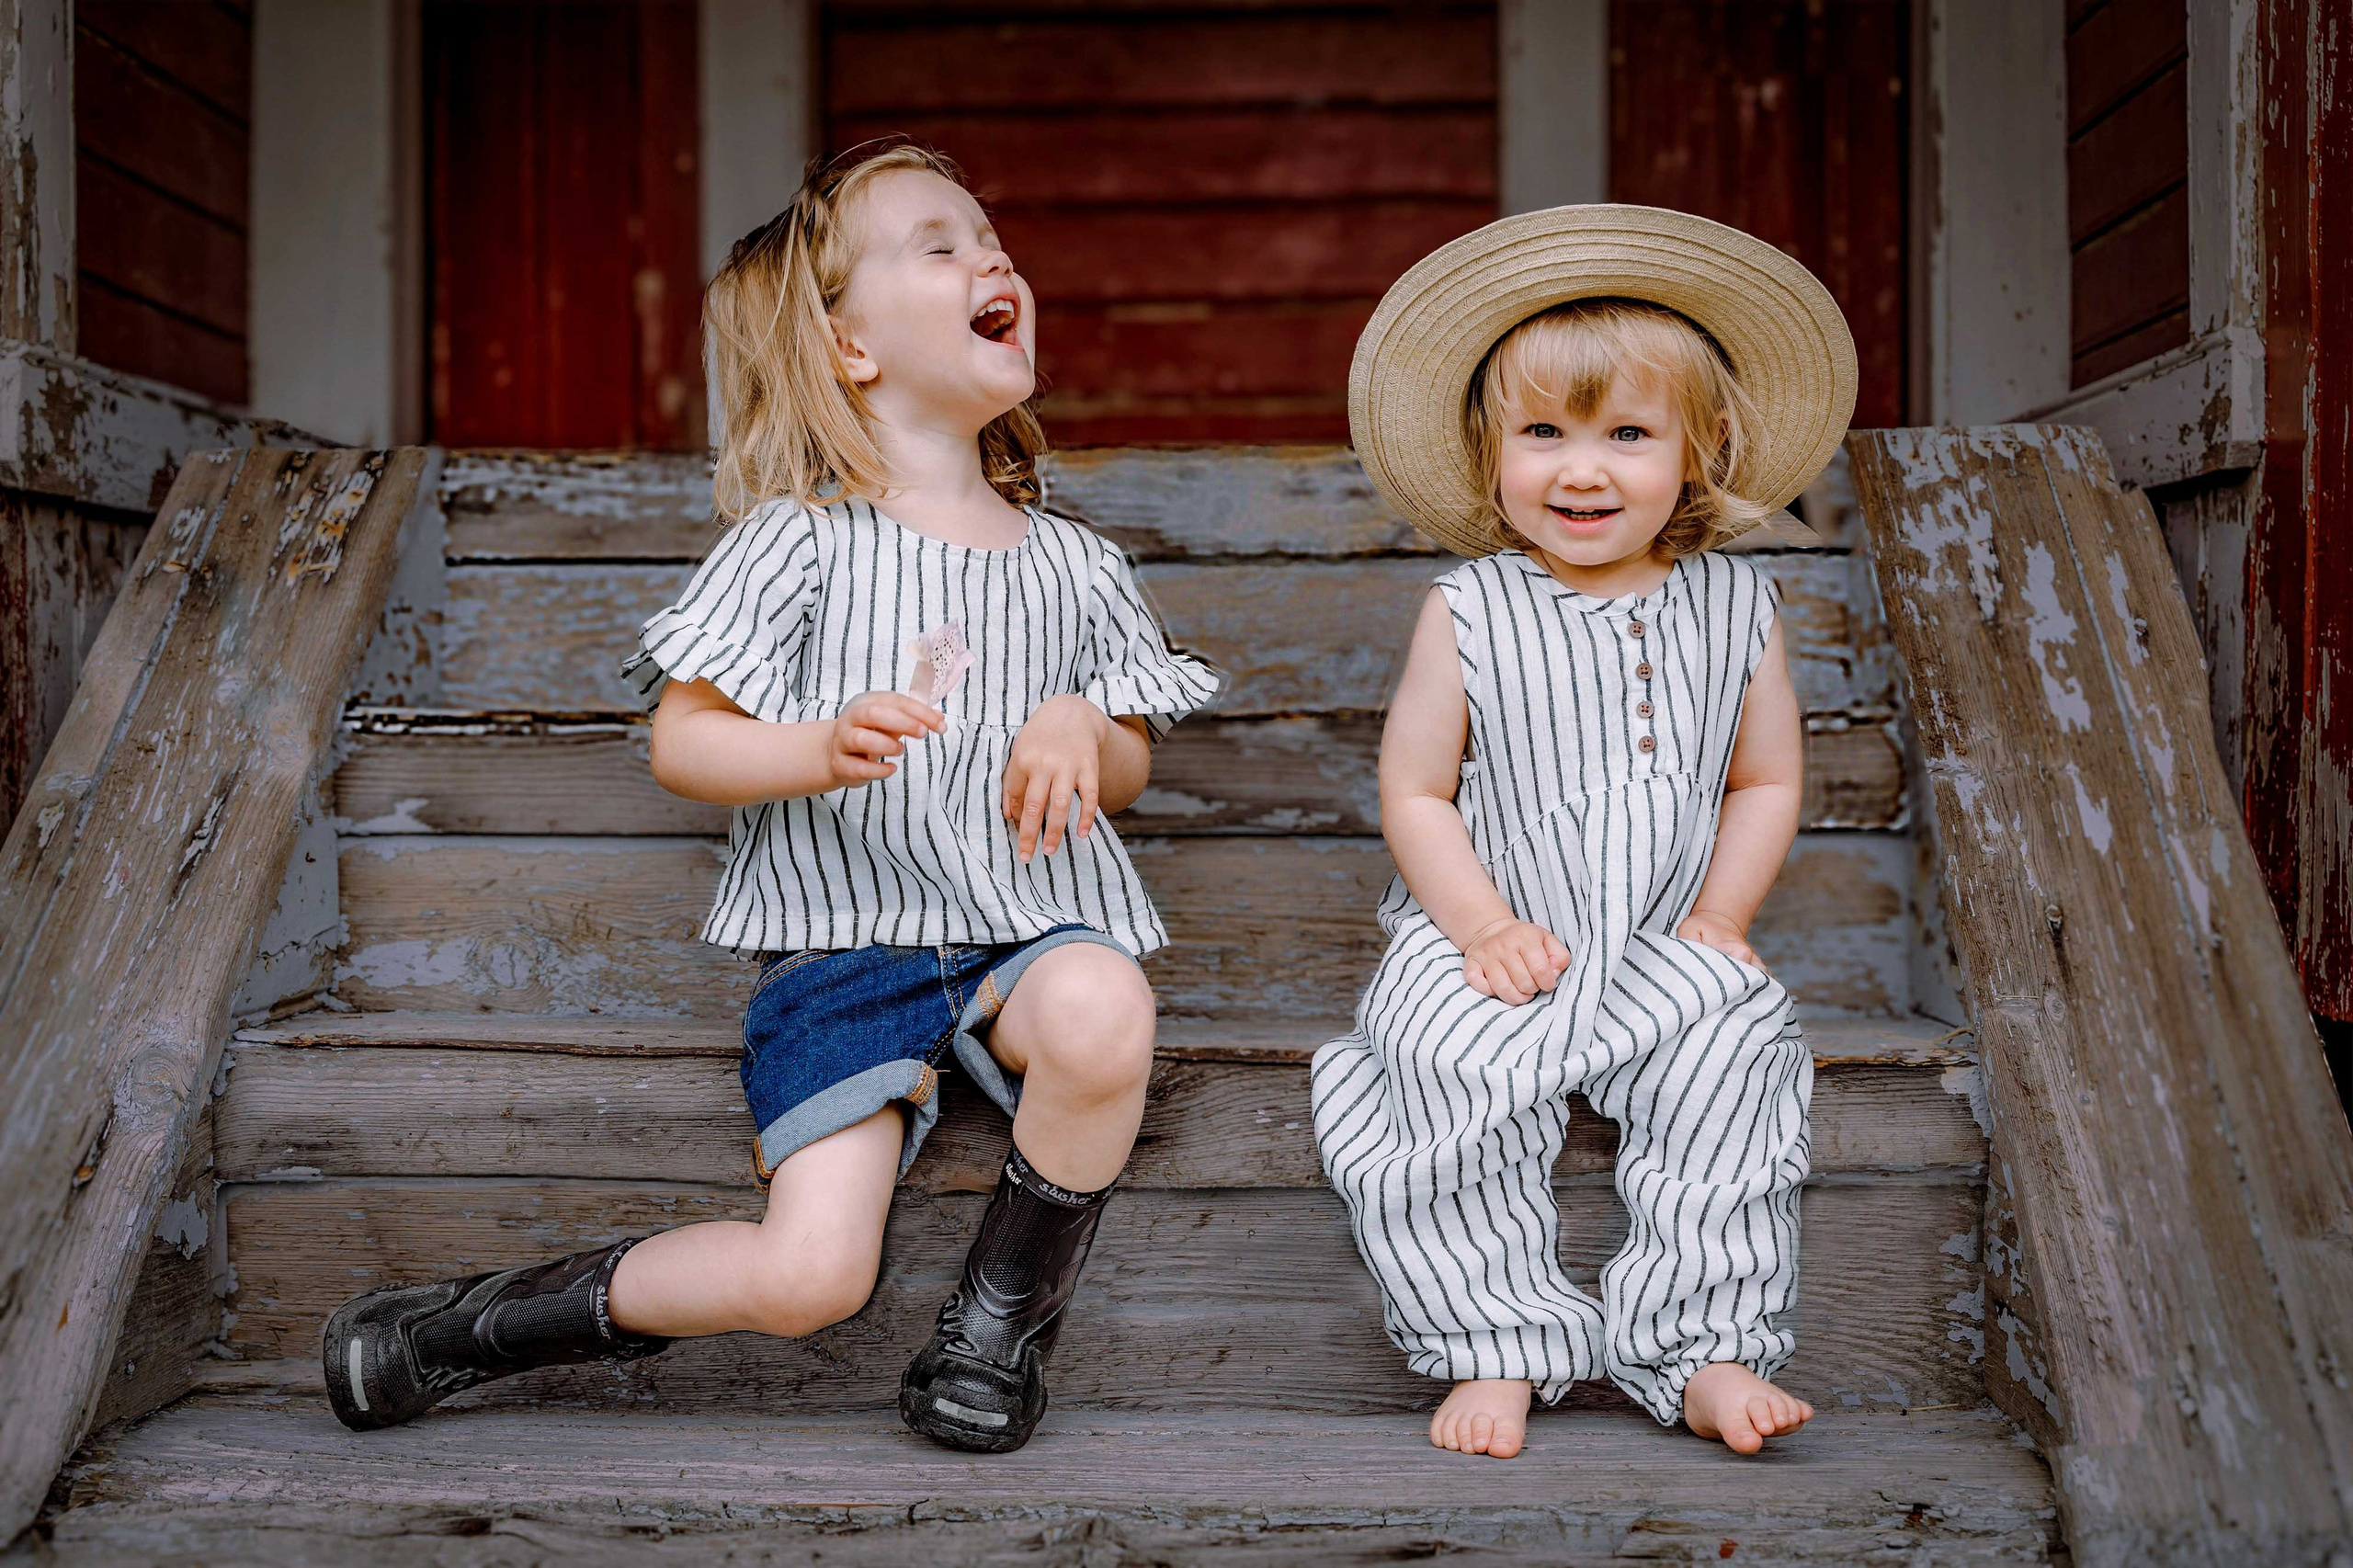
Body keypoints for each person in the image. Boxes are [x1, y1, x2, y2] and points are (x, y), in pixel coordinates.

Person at [322, 142, 1216, 1454]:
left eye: (992, 238)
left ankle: (996, 1326)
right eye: (941, 243)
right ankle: (461, 1328)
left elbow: (1128, 756)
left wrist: (1085, 726)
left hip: (1029, 932)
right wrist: (816, 746)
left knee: (1105, 1004)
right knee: (810, 1277)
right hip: (850, 954)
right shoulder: (799, 539)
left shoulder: (1076, 564)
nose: (994, 258)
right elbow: (685, 741)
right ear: (850, 347)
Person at [1313, 206, 1859, 1460]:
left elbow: (1763, 779)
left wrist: (1721, 920)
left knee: (1735, 1053)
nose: (1582, 468)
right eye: (1544, 433)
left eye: (1627, 434)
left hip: (1663, 936)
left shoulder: (1736, 602)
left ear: (1699, 448)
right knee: (1447, 1077)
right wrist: (1480, 924)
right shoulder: (1473, 608)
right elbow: (1418, 794)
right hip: (1494, 938)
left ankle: (1706, 1342)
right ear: (1489, 451)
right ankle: (1496, 1338)